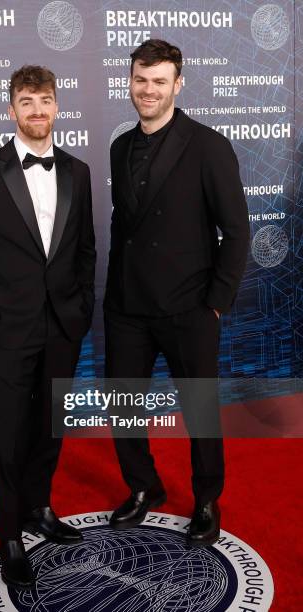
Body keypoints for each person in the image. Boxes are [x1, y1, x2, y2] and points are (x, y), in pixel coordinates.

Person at [0, 65, 96, 587]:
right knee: (9, 434)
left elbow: (84, 251)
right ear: (12, 109)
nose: (37, 110)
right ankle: (8, 532)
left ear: (58, 107)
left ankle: (39, 508)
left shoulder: (78, 172)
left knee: (48, 430)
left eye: (46, 100)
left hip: (64, 327)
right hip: (9, 329)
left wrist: (80, 313)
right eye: (27, 101)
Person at [104, 39, 249, 546]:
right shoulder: (120, 146)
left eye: (159, 81)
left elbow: (236, 232)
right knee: (122, 405)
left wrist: (215, 303)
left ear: (178, 84)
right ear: (130, 81)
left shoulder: (209, 145)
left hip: (188, 305)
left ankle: (207, 498)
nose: (149, 90)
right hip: (126, 306)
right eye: (141, 80)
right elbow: (126, 227)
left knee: (200, 410)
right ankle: (144, 489)